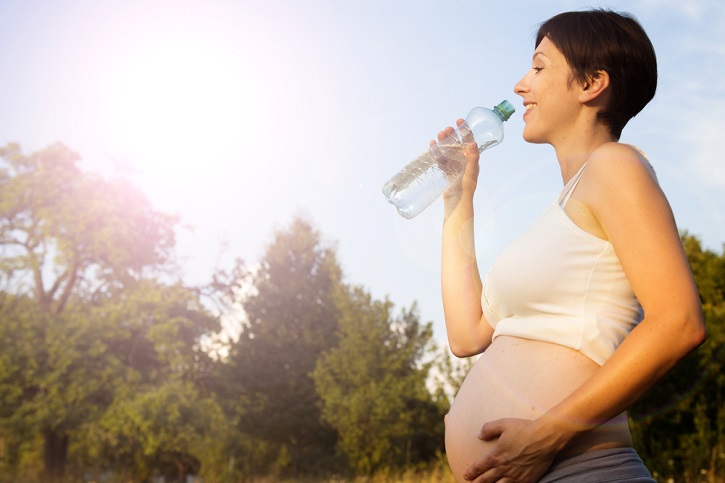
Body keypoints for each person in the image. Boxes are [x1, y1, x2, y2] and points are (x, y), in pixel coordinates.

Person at [440, 9, 706, 483]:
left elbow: (679, 323)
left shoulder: (615, 166)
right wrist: (458, 201)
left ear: (591, 84)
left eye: (539, 67)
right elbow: (467, 335)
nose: (522, 85)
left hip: (582, 469)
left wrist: (547, 434)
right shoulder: (561, 210)